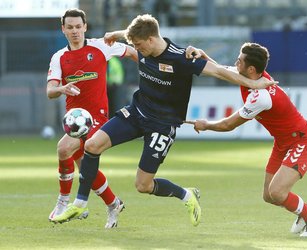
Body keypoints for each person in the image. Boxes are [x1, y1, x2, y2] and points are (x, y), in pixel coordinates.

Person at [52, 14, 276, 227]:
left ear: (150, 40)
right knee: (91, 145)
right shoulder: (143, 43)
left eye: (138, 46)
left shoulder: (182, 58)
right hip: (137, 112)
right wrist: (116, 34)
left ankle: (185, 194)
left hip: (163, 124)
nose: (136, 51)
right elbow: (135, 33)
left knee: (143, 185)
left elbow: (219, 71)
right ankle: (80, 203)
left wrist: (254, 84)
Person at [184, 42, 307, 237]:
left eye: (239, 60)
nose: (235, 62)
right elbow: (222, 71)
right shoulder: (253, 77)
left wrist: (206, 125)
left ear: (250, 69)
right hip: (283, 142)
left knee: (277, 192)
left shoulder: (261, 97)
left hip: (302, 141)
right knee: (269, 196)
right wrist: (204, 56)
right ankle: (306, 209)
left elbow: (228, 125)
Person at [46, 8, 138, 228]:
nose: (75, 31)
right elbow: (50, 91)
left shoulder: (100, 46)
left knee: (62, 149)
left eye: (79, 26)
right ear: (63, 30)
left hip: (96, 116)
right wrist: (62, 89)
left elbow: (133, 52)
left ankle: (63, 202)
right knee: (86, 169)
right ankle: (114, 203)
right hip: (74, 119)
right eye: (70, 27)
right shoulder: (59, 57)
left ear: (85, 27)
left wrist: (148, 71)